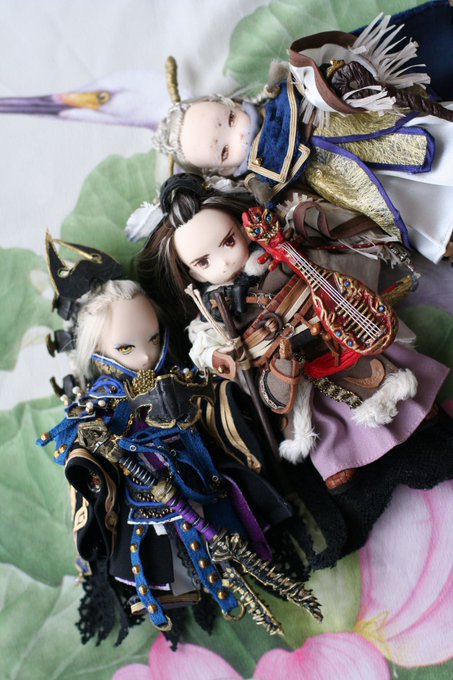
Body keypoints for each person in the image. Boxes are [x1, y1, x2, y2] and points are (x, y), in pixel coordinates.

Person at [37, 236, 325, 647]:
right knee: (164, 549)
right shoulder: (98, 402)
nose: (145, 356)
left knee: (220, 521)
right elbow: (79, 451)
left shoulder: (177, 373)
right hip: (142, 491)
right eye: (126, 347)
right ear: (96, 347)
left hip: (196, 472)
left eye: (153, 339)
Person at [135, 174, 453, 510]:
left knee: (371, 371)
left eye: (228, 242)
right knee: (311, 417)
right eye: (203, 262)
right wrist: (222, 356)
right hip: (285, 365)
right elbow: (204, 347)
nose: (224, 261)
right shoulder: (212, 310)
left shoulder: (274, 256)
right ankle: (342, 463)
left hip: (328, 331)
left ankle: (416, 420)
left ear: (241, 228)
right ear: (191, 273)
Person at [153, 14, 453, 264]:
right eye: (225, 150)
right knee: (401, 204)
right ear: (223, 170)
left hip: (359, 124)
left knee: (428, 137)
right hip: (342, 182)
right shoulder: (262, 182)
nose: (240, 135)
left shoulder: (284, 94)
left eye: (230, 120)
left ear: (232, 104)